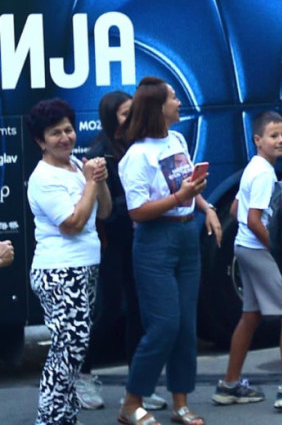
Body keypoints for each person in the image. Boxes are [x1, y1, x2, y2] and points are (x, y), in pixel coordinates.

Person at [118, 77, 222, 425]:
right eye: (173, 98)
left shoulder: (177, 140)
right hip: (155, 241)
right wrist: (181, 197)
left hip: (187, 234)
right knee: (164, 325)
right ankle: (131, 403)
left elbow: (187, 186)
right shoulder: (137, 155)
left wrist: (205, 206)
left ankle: (181, 403)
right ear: (158, 107)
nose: (179, 103)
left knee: (186, 326)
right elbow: (137, 211)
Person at [75, 92, 168, 412]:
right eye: (125, 113)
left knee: (138, 311)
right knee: (109, 310)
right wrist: (136, 204)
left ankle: (136, 385)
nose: (132, 118)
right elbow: (106, 210)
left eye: (134, 111)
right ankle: (82, 375)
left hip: (138, 241)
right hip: (110, 243)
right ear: (111, 119)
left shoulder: (141, 145)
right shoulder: (99, 153)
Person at [25, 98, 112, 425]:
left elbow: (104, 212)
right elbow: (72, 224)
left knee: (75, 347)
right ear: (40, 141)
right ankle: (49, 418)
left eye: (68, 130)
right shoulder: (44, 177)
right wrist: (90, 182)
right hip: (59, 271)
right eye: (55, 133)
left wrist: (99, 180)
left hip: (84, 267)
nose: (65, 138)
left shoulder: (77, 165)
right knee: (68, 349)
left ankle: (64, 416)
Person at [212, 111, 282, 411]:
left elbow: (236, 208)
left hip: (243, 249)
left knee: (250, 315)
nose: (281, 140)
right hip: (259, 251)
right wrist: (277, 250)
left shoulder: (253, 167)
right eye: (274, 136)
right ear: (257, 140)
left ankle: (229, 384)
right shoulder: (265, 174)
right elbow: (253, 219)